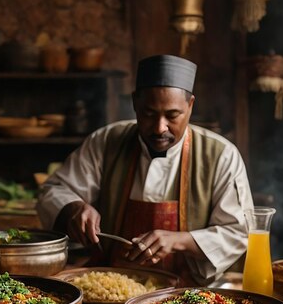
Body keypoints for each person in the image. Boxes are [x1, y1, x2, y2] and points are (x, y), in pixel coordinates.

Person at [36, 54, 254, 284]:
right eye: (149, 114)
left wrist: (179, 240)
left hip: (189, 293)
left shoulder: (220, 155)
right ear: (135, 104)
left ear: (190, 106)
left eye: (172, 115)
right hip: (110, 288)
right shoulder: (107, 141)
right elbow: (52, 190)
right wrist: (74, 207)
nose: (160, 128)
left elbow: (238, 233)